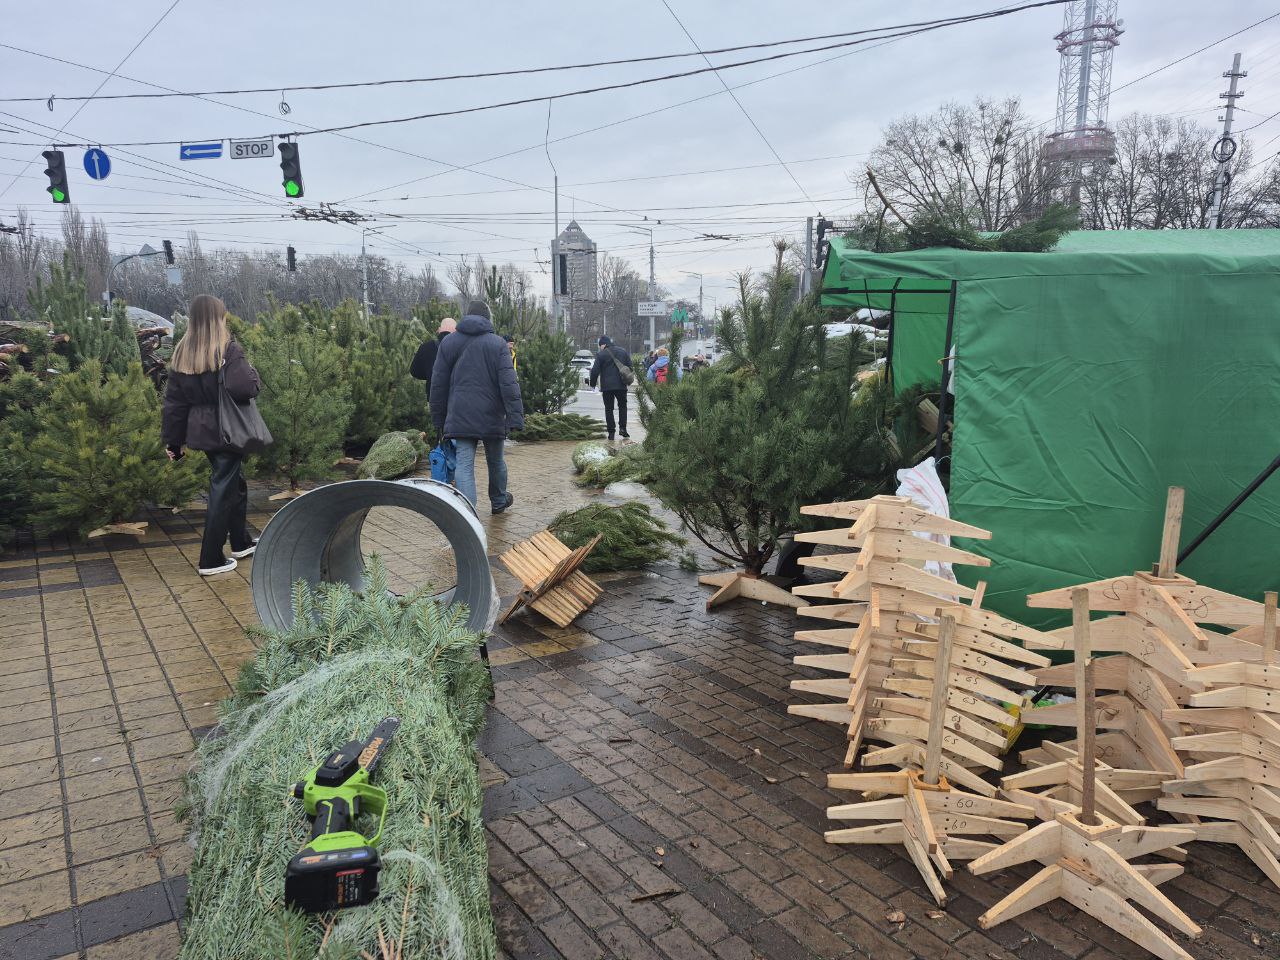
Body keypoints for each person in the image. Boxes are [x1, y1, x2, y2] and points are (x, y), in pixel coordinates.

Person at [162, 294, 262, 576]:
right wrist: (254, 374)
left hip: (203, 430)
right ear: (220, 317)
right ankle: (210, 559)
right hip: (229, 429)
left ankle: (240, 541)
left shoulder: (183, 351)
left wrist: (174, 441)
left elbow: (174, 402)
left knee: (233, 483)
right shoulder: (226, 349)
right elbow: (246, 388)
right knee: (222, 488)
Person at [430, 300, 524, 513]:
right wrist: (515, 417)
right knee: (496, 460)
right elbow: (509, 383)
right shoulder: (498, 344)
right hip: (492, 413)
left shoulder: (449, 343)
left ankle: (468, 513)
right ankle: (499, 501)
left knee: (464, 464)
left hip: (461, 413)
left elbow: (438, 384)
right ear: (488, 318)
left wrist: (438, 417)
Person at [588, 335, 633, 441]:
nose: (600, 348)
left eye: (600, 346)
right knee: (622, 406)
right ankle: (623, 428)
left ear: (603, 344)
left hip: (607, 387)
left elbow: (594, 371)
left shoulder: (601, 354)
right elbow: (630, 367)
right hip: (621, 386)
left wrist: (593, 384)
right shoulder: (623, 352)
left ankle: (611, 433)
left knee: (609, 409)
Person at [409, 317, 456, 393]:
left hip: (433, 396)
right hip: (455, 397)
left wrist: (429, 374)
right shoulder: (463, 347)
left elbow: (414, 371)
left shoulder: (425, 347)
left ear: (439, 330)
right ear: (456, 330)